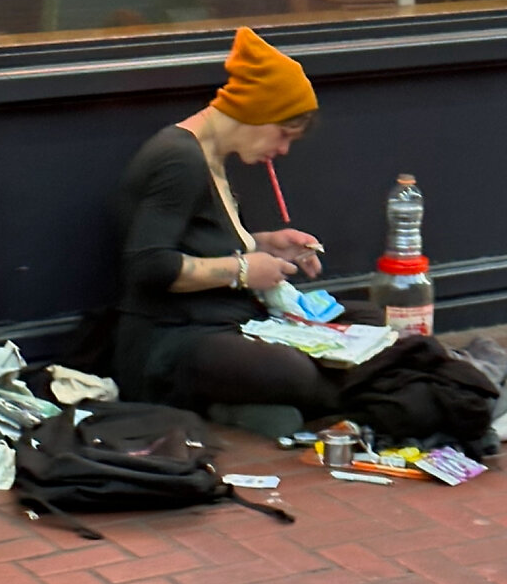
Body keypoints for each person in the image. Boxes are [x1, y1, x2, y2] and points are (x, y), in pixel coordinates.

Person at [112, 26, 359, 431]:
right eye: (283, 134)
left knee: (358, 316)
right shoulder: (180, 160)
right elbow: (148, 265)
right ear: (257, 110)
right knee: (294, 371)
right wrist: (244, 270)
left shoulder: (212, 157)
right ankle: (378, 395)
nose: (282, 150)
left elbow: (201, 243)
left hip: (220, 322)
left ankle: (252, 407)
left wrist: (266, 245)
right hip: (168, 342)